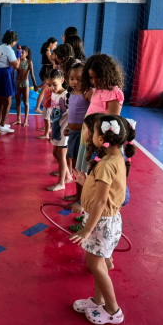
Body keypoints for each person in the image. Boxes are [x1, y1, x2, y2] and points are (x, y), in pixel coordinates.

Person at [69, 114, 136, 324]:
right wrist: (86, 181)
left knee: (95, 264)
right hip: (107, 221)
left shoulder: (106, 164)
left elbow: (100, 202)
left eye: (93, 131)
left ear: (101, 138)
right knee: (98, 262)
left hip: (101, 223)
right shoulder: (116, 158)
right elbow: (104, 189)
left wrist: (87, 230)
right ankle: (98, 300)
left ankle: (113, 310)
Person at [65, 54, 125, 212]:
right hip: (87, 139)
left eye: (96, 77)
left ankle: (86, 205)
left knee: (92, 175)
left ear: (107, 73)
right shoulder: (97, 90)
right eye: (90, 78)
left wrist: (98, 141)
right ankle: (80, 198)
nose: (93, 81)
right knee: (81, 171)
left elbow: (111, 122)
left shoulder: (114, 93)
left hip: (99, 142)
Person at [62, 61, 92, 203]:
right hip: (73, 135)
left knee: (82, 168)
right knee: (75, 168)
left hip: (83, 136)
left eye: (79, 79)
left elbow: (94, 112)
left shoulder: (87, 93)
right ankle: (78, 195)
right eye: (72, 78)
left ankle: (82, 199)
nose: (74, 82)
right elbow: (73, 114)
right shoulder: (72, 93)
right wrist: (69, 127)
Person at [0, 30, 20, 133]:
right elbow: (16, 65)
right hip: (5, 75)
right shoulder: (9, 50)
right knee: (8, 101)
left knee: (1, 100)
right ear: (13, 41)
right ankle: (2, 125)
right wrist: (19, 55)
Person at [45, 68, 70, 192]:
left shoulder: (66, 95)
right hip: (56, 128)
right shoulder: (54, 93)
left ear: (62, 80)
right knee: (55, 154)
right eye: (49, 85)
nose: (52, 88)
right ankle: (67, 175)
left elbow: (71, 112)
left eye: (54, 84)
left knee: (61, 155)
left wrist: (69, 127)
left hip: (64, 130)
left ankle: (61, 183)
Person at [13, 46, 38, 126]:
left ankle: (26, 120)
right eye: (20, 53)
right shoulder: (18, 61)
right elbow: (13, 71)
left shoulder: (29, 62)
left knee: (26, 102)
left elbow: (32, 74)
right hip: (17, 83)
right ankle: (18, 119)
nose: (21, 54)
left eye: (22, 53)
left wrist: (35, 85)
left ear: (26, 54)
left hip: (25, 83)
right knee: (18, 101)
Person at [35, 37, 58, 114]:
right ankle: (37, 108)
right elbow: (52, 62)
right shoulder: (47, 51)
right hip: (45, 71)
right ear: (51, 43)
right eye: (55, 44)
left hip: (45, 70)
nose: (55, 46)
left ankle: (41, 106)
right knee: (43, 91)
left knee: (46, 90)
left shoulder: (47, 50)